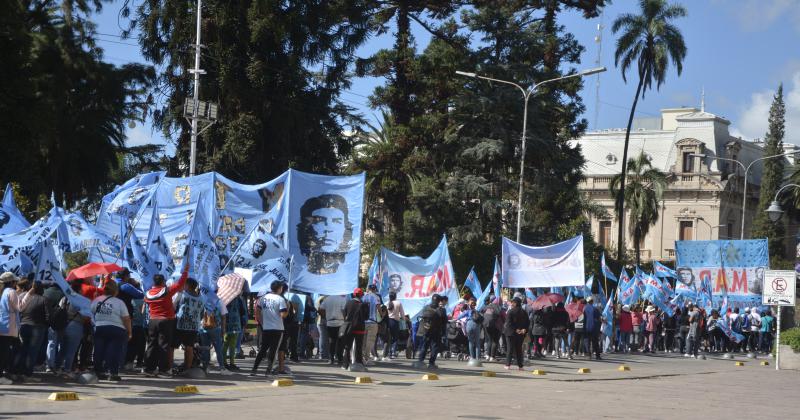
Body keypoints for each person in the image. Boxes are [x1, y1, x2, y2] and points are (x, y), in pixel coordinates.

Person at [143, 268, 188, 377]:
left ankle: (149, 369)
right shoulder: (166, 291)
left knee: (151, 345)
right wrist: (185, 271)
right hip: (165, 320)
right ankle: (163, 370)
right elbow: (180, 283)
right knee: (164, 345)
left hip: (152, 320)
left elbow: (146, 301)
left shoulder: (148, 293)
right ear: (163, 282)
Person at [295, 194, 354, 275]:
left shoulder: (347, 268)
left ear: (345, 227)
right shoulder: (297, 267)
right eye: (320, 221)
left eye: (336, 221)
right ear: (307, 227)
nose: (328, 229)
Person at [91, 281, 131, 381]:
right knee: (114, 351)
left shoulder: (97, 299)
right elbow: (126, 318)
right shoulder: (120, 302)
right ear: (116, 291)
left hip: (99, 327)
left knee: (99, 350)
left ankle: (99, 372)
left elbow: (90, 313)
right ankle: (113, 373)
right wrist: (129, 331)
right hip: (116, 329)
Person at [251, 281, 287, 377]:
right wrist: (287, 309)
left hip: (266, 327)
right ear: (279, 288)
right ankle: (268, 371)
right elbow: (283, 314)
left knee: (263, 349)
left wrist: (263, 322)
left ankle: (254, 369)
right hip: (277, 328)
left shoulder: (263, 298)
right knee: (273, 350)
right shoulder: (280, 299)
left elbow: (257, 312)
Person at [14, 279, 47, 380]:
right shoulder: (43, 299)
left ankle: (17, 372)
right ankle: (27, 374)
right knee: (32, 352)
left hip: (23, 326)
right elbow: (48, 316)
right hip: (37, 327)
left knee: (22, 350)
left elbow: (19, 311)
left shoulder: (24, 297)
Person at [172, 278, 204, 373]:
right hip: (194, 326)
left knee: (172, 346)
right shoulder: (201, 298)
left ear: (187, 285)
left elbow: (173, 307)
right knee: (189, 347)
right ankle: (187, 368)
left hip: (180, 324)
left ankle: (168, 367)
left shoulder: (182, 294)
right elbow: (201, 314)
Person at [198, 295, 229, 375]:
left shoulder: (202, 300)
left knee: (205, 348)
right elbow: (223, 317)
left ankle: (206, 367)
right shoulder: (219, 302)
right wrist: (223, 330)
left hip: (203, 328)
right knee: (218, 348)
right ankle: (222, 368)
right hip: (216, 328)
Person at [340, 288, 368, 370]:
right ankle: (359, 364)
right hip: (360, 328)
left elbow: (344, 314)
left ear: (354, 294)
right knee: (359, 347)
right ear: (361, 295)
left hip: (349, 328)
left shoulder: (348, 303)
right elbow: (366, 317)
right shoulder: (364, 304)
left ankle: (345, 365)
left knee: (347, 346)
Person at [0, 272, 21, 384]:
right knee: (5, 352)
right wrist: (27, 295)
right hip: (9, 326)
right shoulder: (11, 292)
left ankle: (5, 372)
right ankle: (2, 375)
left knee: (5, 351)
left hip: (3, 324)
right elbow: (20, 307)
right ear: (12, 282)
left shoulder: (3, 291)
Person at [416, 295, 444, 369]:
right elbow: (444, 321)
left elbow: (422, 317)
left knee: (424, 345)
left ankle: (420, 361)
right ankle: (431, 363)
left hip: (426, 330)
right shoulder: (440, 310)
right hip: (436, 331)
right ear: (438, 301)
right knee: (434, 347)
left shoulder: (426, 307)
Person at [319, 294, 346, 365]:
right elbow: (344, 311)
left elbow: (320, 309)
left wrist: (325, 316)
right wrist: (345, 319)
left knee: (332, 342)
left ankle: (331, 359)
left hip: (330, 322)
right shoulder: (342, 299)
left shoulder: (327, 299)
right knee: (340, 342)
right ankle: (340, 359)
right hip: (340, 322)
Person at [224, 292, 247, 370]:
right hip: (236, 323)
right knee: (233, 344)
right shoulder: (238, 299)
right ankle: (232, 363)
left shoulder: (223, 298)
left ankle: (224, 362)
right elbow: (243, 311)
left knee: (225, 344)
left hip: (225, 324)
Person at [504, 297, 528, 370]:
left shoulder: (510, 311)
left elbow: (509, 323)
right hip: (521, 333)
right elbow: (528, 322)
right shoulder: (524, 312)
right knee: (519, 349)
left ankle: (508, 365)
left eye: (512, 302)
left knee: (510, 349)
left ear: (515, 303)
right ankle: (520, 366)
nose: (511, 304)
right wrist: (525, 329)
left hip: (511, 333)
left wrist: (515, 329)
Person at [362, 284, 382, 362]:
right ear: (375, 289)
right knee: (370, 341)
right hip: (373, 322)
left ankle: (362, 357)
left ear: (368, 289)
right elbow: (378, 307)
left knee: (363, 340)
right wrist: (381, 314)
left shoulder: (363, 297)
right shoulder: (376, 297)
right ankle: (367, 357)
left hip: (363, 322)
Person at [481, 296, 502, 361]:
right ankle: (492, 357)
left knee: (489, 340)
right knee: (495, 341)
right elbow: (499, 313)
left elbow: (482, 310)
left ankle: (487, 355)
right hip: (493, 325)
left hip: (485, 325)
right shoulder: (497, 306)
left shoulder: (487, 306)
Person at [386, 292, 405, 359]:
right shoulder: (398, 303)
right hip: (395, 322)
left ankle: (388, 352)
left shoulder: (387, 303)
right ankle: (393, 352)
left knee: (388, 337)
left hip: (388, 321)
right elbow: (402, 314)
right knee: (395, 338)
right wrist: (404, 320)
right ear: (395, 296)